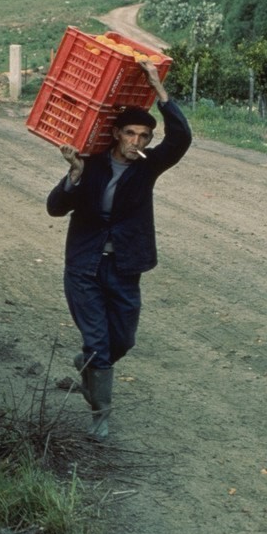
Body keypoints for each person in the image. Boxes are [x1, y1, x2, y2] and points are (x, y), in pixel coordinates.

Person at [46, 60, 191, 440]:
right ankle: (101, 414)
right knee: (98, 341)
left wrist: (159, 88)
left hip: (125, 265)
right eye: (130, 134)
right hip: (84, 266)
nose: (137, 142)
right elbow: (55, 208)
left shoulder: (149, 167)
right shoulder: (90, 163)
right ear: (115, 134)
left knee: (122, 340)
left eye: (144, 136)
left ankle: (90, 365)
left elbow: (181, 138)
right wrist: (73, 175)